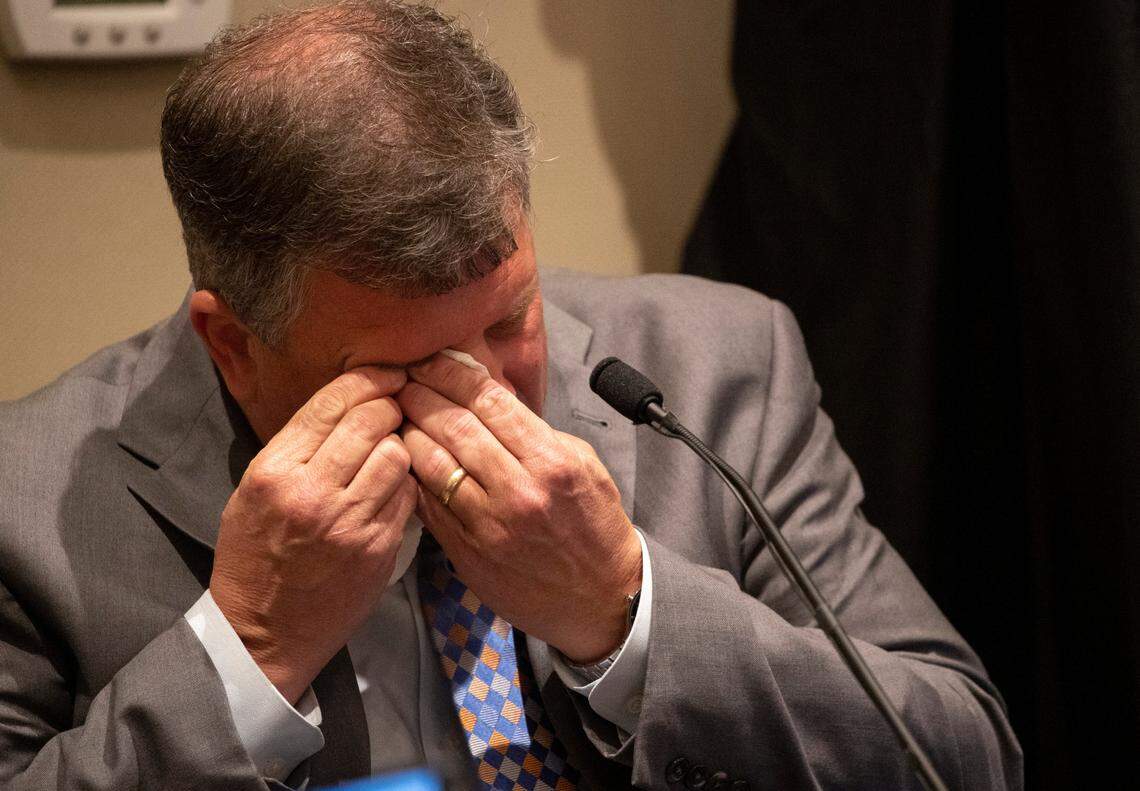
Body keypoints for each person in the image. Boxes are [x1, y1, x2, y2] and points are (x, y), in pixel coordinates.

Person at [0, 1, 1022, 789]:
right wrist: (247, 650)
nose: (479, 390)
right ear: (234, 343)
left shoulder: (720, 366)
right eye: (402, 368)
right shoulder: (25, 500)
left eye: (508, 319)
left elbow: (961, 752)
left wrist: (628, 612)